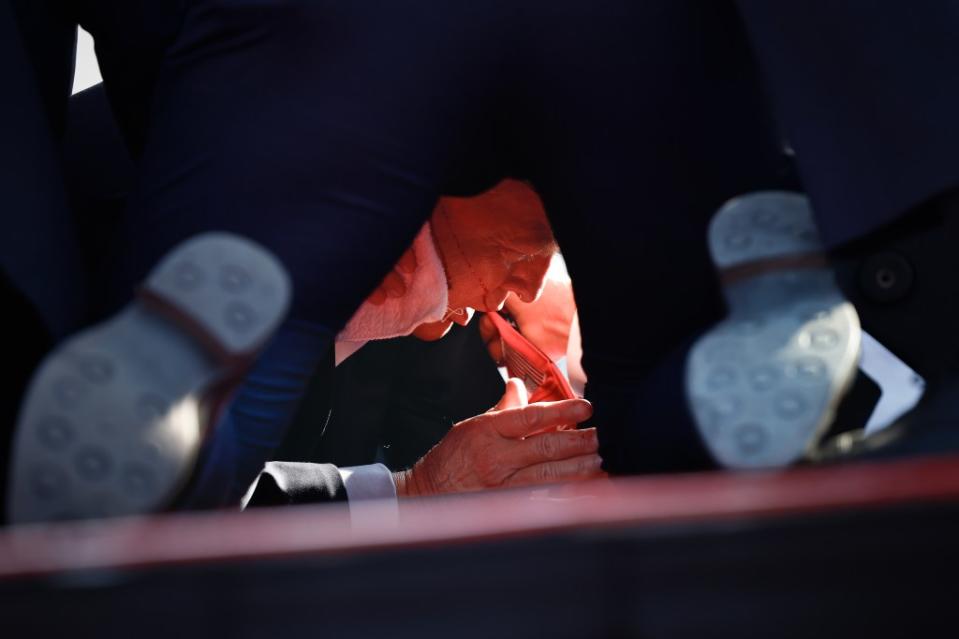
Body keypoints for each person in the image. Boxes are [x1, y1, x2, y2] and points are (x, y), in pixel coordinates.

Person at [6, 1, 959, 519]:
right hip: (634, 55)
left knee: (238, 365)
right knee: (660, 402)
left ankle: (184, 416)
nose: (516, 292)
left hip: (313, 62)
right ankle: (766, 306)